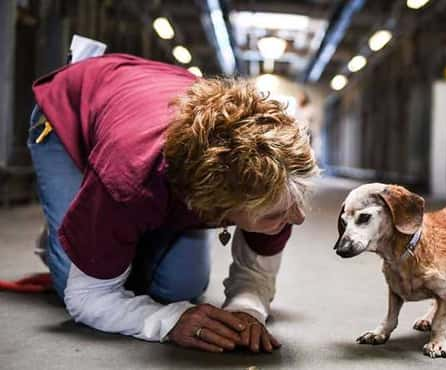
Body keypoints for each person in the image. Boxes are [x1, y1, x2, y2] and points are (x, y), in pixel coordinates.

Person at [28, 53, 318, 353]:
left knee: (181, 288)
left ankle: (109, 235)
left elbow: (257, 275)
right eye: (278, 214)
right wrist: (166, 321)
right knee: (71, 285)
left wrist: (247, 308)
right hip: (71, 109)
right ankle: (69, 229)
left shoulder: (279, 181)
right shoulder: (127, 183)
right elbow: (87, 297)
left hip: (150, 103)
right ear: (218, 206)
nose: (298, 218)